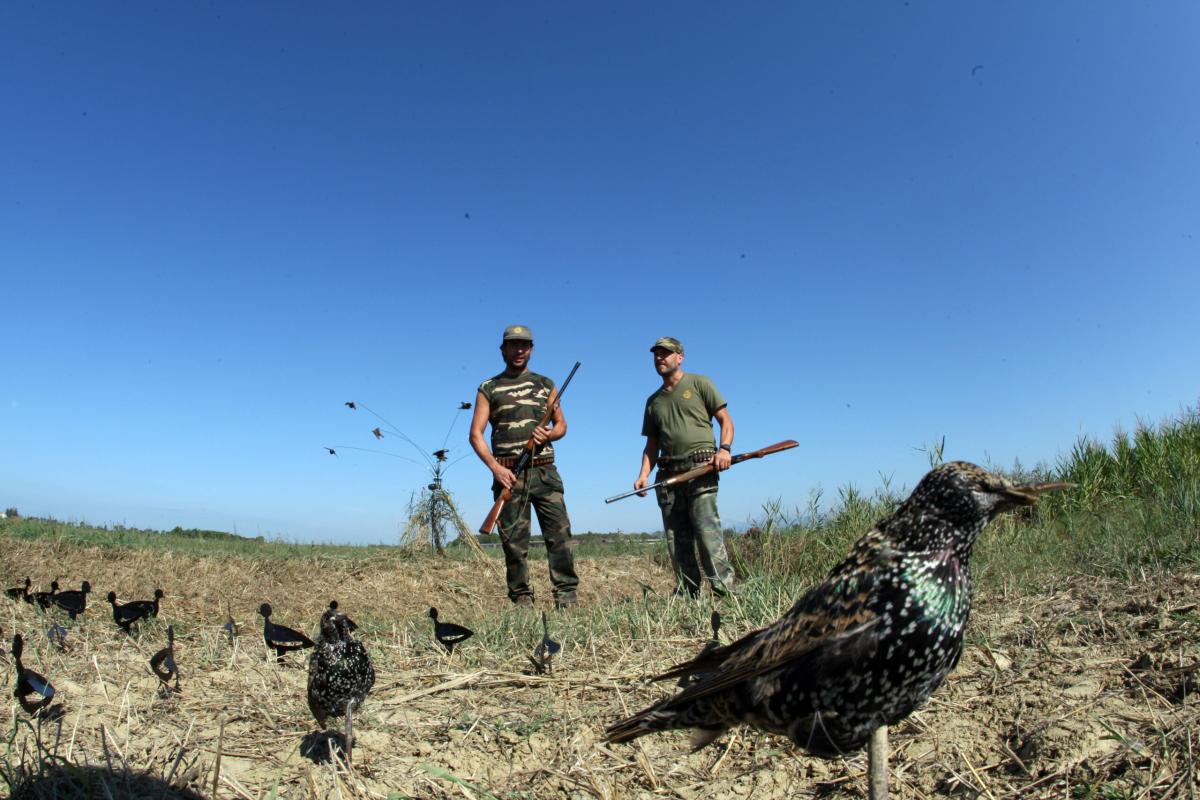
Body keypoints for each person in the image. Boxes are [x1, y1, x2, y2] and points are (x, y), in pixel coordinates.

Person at [469, 325, 580, 609]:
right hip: (508, 475)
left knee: (559, 536)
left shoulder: (546, 384)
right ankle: (522, 598)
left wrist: (550, 434)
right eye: (513, 345)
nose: (519, 350)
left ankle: (566, 596)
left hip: (544, 471)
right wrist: (496, 468)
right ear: (503, 350)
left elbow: (562, 425)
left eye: (524, 345)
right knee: (514, 544)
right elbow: (475, 435)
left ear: (531, 349)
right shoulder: (488, 388)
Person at [634, 337, 735, 597]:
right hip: (668, 475)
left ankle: (725, 591)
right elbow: (652, 445)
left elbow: (725, 420)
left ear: (680, 356)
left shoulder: (700, 383)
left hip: (702, 467)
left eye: (666, 353)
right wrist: (643, 474)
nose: (660, 358)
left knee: (707, 533)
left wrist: (724, 450)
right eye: (656, 354)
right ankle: (690, 593)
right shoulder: (653, 401)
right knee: (677, 539)